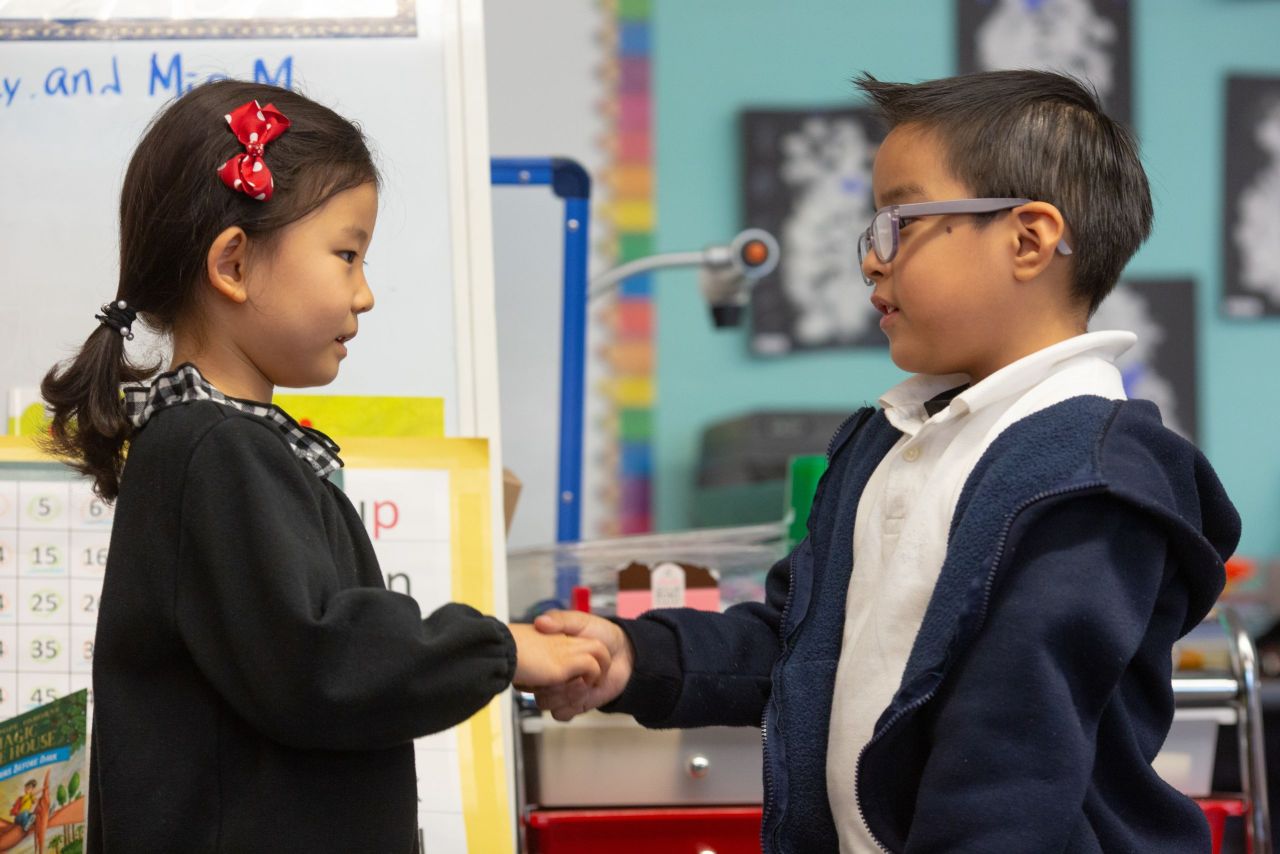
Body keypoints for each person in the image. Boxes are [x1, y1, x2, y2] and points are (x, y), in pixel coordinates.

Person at [532, 70, 1241, 853]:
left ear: (1029, 240)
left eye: (899, 222)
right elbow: (801, 647)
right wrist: (639, 656)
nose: (872, 261)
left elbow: (1013, 752)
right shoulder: (889, 442)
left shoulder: (1089, 477)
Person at [40, 80, 608, 853]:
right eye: (346, 254)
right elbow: (319, 662)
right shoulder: (213, 449)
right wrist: (500, 649)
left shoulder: (233, 445)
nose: (366, 294)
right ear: (233, 264)